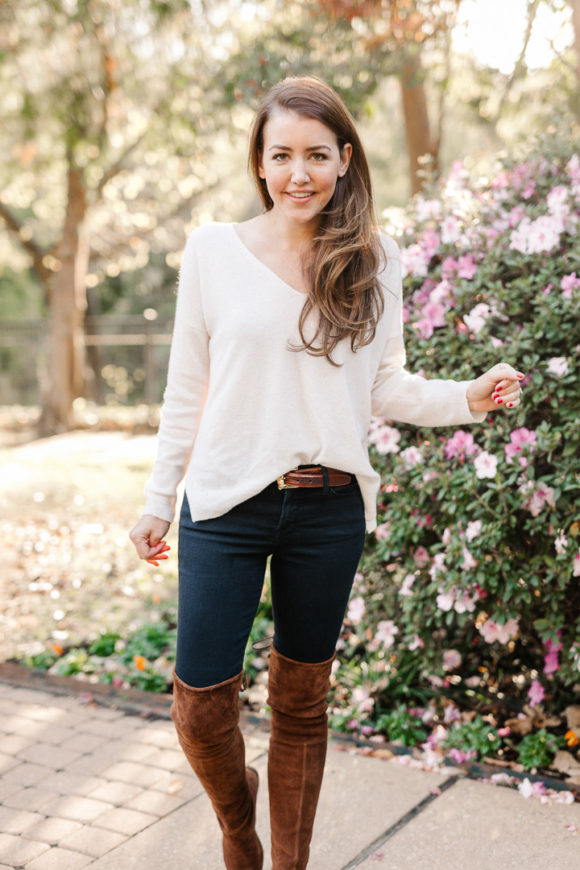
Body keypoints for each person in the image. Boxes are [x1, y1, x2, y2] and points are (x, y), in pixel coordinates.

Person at [129, 76, 523, 870]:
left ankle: (286, 864)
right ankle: (239, 831)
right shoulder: (212, 250)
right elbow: (186, 391)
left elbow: (387, 386)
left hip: (328, 511)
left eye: (316, 154)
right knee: (202, 708)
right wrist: (156, 502)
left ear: (345, 159)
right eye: (281, 156)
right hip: (224, 506)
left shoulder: (376, 260)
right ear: (261, 163)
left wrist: (470, 399)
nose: (298, 172)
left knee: (302, 708)